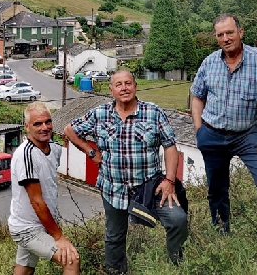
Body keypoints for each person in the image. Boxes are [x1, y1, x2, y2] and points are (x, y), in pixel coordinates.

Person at [190, 13, 257, 266]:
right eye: (220, 35)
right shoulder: (209, 62)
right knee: (216, 187)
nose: (226, 38)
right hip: (212, 134)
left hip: (248, 134)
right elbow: (196, 95)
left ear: (240, 32)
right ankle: (221, 229)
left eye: (230, 32)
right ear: (216, 38)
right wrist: (199, 130)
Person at [63, 69, 188, 275]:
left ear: (135, 86)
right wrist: (91, 151)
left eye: (128, 83)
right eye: (119, 84)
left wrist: (169, 180)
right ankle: (115, 271)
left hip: (149, 187)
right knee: (114, 236)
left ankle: (176, 265)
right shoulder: (100, 114)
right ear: (111, 90)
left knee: (177, 220)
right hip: (113, 188)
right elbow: (70, 130)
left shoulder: (153, 112)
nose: (124, 88)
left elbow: (170, 145)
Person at [8, 101, 80, 275]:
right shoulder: (26, 155)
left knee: (24, 269)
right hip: (27, 229)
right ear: (26, 127)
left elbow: (70, 140)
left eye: (48, 122)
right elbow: (37, 201)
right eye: (37, 124)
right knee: (71, 259)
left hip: (37, 225)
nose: (44, 127)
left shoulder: (53, 148)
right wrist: (59, 237)